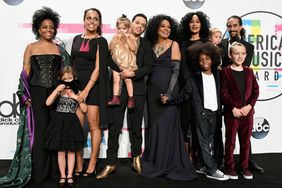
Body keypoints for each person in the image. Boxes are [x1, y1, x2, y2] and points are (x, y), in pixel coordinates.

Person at [96, 13, 153, 179]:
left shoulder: (145, 44)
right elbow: (108, 58)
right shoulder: (117, 38)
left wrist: (133, 73)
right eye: (138, 23)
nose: (140, 27)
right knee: (114, 128)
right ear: (131, 23)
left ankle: (136, 159)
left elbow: (149, 67)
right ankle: (110, 163)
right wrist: (121, 71)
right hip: (118, 89)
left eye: (143, 25)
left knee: (136, 128)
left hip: (138, 91)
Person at [141, 14, 197, 181]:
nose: (166, 29)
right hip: (151, 91)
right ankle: (156, 160)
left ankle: (169, 162)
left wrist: (169, 93)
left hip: (168, 89)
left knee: (167, 124)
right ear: (155, 28)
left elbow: (176, 71)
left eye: (168, 27)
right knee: (155, 126)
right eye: (162, 26)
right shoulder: (150, 45)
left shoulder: (174, 45)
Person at [161, 42, 229, 181]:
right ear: (197, 61)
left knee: (211, 142)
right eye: (201, 59)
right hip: (202, 114)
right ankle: (212, 170)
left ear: (213, 59)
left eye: (207, 58)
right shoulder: (194, 78)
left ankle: (204, 165)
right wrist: (170, 100)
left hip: (215, 114)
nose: (204, 62)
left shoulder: (218, 74)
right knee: (204, 144)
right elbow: (184, 95)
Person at [178, 12, 224, 172]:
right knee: (186, 125)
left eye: (197, 21)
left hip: (205, 92)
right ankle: (187, 158)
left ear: (202, 24)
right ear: (187, 24)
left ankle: (200, 160)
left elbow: (211, 66)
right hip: (188, 88)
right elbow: (183, 67)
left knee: (202, 127)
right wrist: (189, 85)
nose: (194, 24)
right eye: (191, 22)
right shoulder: (182, 43)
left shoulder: (206, 42)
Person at [70, 8, 110, 177]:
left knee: (93, 126)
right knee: (77, 127)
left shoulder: (101, 41)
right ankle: (79, 161)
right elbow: (72, 64)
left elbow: (99, 68)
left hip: (93, 89)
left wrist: (86, 90)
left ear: (99, 23)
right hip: (76, 87)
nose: (91, 21)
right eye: (89, 18)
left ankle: (92, 162)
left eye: (95, 19)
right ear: (84, 20)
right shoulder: (76, 39)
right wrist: (73, 88)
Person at [221, 15, 264, 173]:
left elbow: (243, 71)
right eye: (229, 26)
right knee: (229, 137)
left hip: (241, 97)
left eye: (234, 26)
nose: (231, 29)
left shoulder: (248, 47)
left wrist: (246, 105)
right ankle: (226, 163)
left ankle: (248, 162)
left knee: (245, 137)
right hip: (225, 93)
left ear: (240, 26)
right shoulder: (221, 44)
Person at [45, 66, 87, 186]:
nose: (68, 81)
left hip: (72, 122)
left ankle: (70, 175)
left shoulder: (78, 92)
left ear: (74, 78)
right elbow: (47, 103)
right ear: (60, 79)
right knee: (61, 152)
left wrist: (75, 97)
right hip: (59, 123)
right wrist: (56, 90)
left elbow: (84, 109)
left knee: (71, 151)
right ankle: (63, 175)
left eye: (70, 78)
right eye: (65, 78)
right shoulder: (58, 91)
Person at [108, 14, 138, 108]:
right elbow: (110, 49)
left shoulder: (131, 37)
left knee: (128, 80)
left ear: (128, 29)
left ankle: (131, 98)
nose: (121, 31)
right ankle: (115, 98)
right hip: (117, 63)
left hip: (127, 63)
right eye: (119, 28)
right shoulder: (115, 37)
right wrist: (114, 40)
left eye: (124, 29)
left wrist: (127, 38)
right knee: (116, 80)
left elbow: (134, 49)